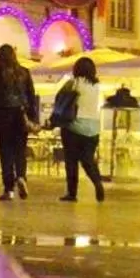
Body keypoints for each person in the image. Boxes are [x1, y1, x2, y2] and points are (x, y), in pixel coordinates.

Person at [0, 43, 39, 200]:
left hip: (2, 117)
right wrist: (32, 118)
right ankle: (21, 176)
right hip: (21, 116)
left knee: (5, 152)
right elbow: (31, 98)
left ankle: (9, 189)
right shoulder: (24, 73)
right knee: (20, 150)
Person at [51, 56, 107, 202]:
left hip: (74, 127)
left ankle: (72, 193)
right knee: (88, 159)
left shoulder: (74, 83)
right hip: (93, 128)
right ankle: (97, 182)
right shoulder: (97, 87)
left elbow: (59, 98)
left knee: (71, 161)